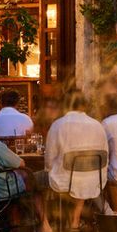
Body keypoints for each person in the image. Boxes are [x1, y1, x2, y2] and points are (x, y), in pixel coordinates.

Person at [0, 107, 49, 232]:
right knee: (28, 176)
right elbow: (20, 163)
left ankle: (14, 222)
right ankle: (44, 224)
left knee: (14, 177)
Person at [44, 91, 110, 224]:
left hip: (65, 181)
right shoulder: (97, 125)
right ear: (84, 106)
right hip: (93, 179)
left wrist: (49, 169)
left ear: (65, 105)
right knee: (81, 177)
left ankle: (46, 225)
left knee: (37, 180)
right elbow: (105, 154)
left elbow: (49, 159)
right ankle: (75, 219)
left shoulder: (58, 125)